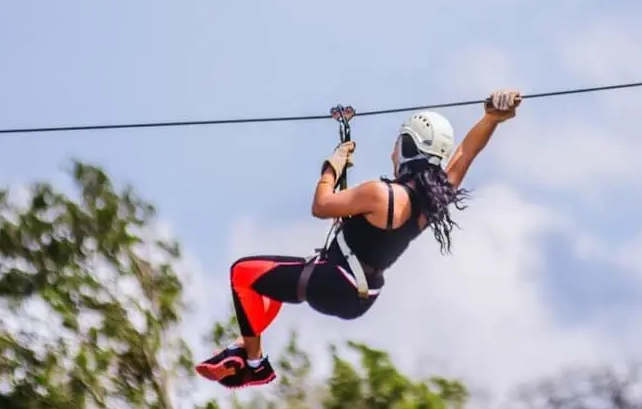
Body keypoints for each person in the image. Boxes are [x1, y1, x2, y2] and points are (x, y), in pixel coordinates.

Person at [195, 89, 522, 390]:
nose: (392, 151)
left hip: (334, 282)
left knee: (243, 273)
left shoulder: (381, 194)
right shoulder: (429, 203)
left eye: (398, 143)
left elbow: (321, 205)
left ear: (408, 147)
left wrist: (332, 165)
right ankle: (245, 346)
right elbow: (466, 153)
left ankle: (254, 363)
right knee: (271, 280)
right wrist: (491, 119)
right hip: (361, 296)